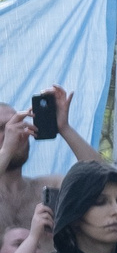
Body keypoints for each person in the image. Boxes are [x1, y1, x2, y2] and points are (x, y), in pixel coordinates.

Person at [0, 87, 102, 237]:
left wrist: (64, 128)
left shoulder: (49, 189)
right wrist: (6, 151)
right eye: (2, 128)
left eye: (18, 123)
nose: (13, 132)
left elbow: (104, 179)